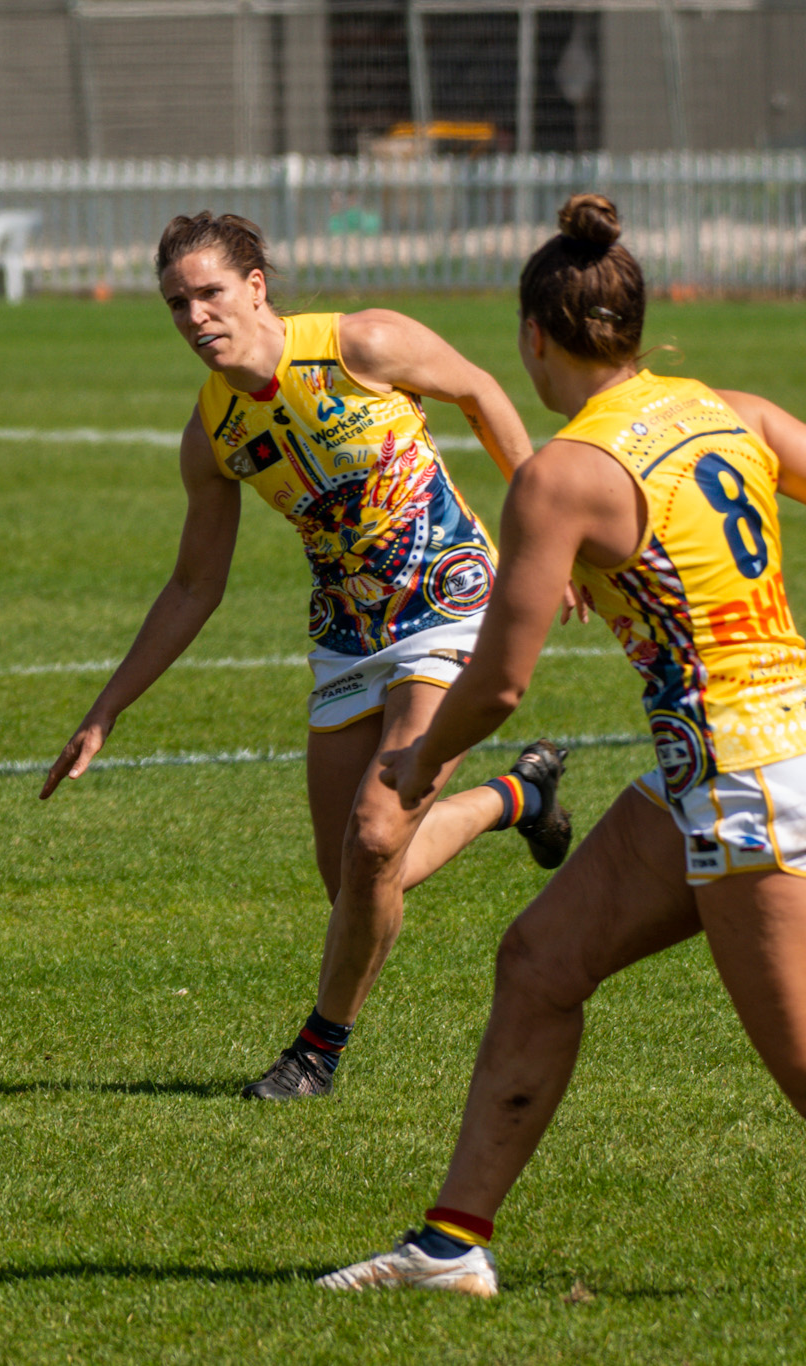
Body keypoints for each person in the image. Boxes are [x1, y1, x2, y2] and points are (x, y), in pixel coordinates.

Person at [322, 193, 806, 1298]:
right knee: (538, 960)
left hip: (743, 775)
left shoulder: (562, 472)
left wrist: (416, 760)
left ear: (533, 338)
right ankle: (447, 1248)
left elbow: (497, 680)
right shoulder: (730, 408)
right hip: (715, 767)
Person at [42, 212, 572, 1101]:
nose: (195, 316)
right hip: (345, 635)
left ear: (256, 287)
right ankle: (518, 796)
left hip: (448, 598)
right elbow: (191, 588)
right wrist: (107, 708)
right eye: (177, 303)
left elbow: (482, 392)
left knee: (375, 835)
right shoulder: (212, 435)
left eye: (210, 293)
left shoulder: (362, 343)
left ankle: (316, 1052)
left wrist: (541, 536)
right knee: (357, 881)